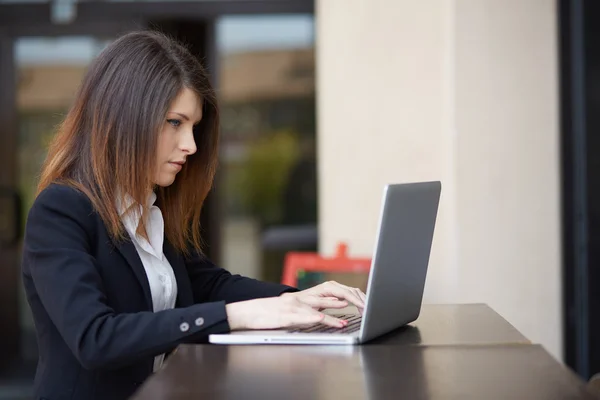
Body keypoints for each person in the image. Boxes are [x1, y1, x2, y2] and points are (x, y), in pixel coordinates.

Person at [21, 31, 366, 400]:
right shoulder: (60, 211)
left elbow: (210, 284)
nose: (191, 145)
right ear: (124, 118)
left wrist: (300, 300)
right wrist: (238, 316)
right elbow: (95, 338)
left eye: (194, 126)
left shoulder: (150, 212)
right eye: (175, 122)